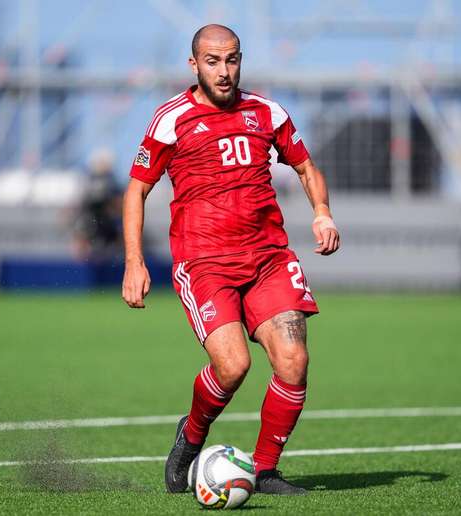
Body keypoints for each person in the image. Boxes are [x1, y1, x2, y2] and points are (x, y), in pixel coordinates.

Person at [122, 24, 340, 495]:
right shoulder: (171, 119)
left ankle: (264, 472)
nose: (225, 71)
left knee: (294, 360)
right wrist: (134, 261)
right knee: (233, 366)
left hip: (268, 259)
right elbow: (137, 190)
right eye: (213, 61)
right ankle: (191, 436)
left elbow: (305, 167)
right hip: (205, 263)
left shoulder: (267, 112)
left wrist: (321, 212)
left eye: (233, 60)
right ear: (194, 64)